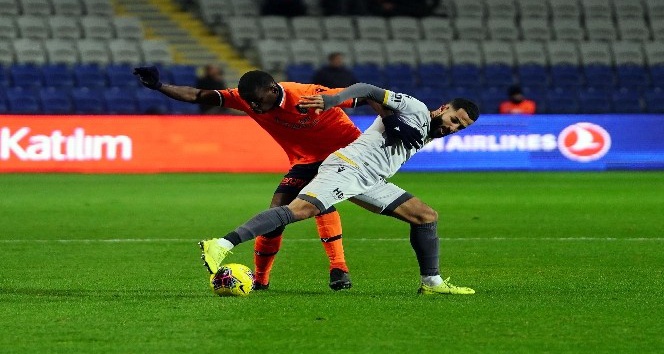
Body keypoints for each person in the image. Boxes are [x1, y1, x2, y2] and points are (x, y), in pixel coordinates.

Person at [199, 82, 480, 295]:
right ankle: (221, 244)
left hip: (371, 180)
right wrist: (332, 100)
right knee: (298, 211)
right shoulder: (415, 108)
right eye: (454, 119)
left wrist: (391, 121)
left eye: (461, 127)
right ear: (443, 108)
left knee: (425, 216)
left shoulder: (430, 130)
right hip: (348, 168)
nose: (454, 128)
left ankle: (431, 282)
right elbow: (366, 89)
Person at [133, 66, 365, 291]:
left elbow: (362, 94)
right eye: (250, 103)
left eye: (258, 101)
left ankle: (339, 267)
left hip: (347, 153)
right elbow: (197, 95)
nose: (254, 106)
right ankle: (261, 280)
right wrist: (159, 86)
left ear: (273, 90)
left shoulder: (307, 94)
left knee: (317, 201)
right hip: (306, 160)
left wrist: (394, 114)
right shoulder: (246, 99)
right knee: (276, 212)